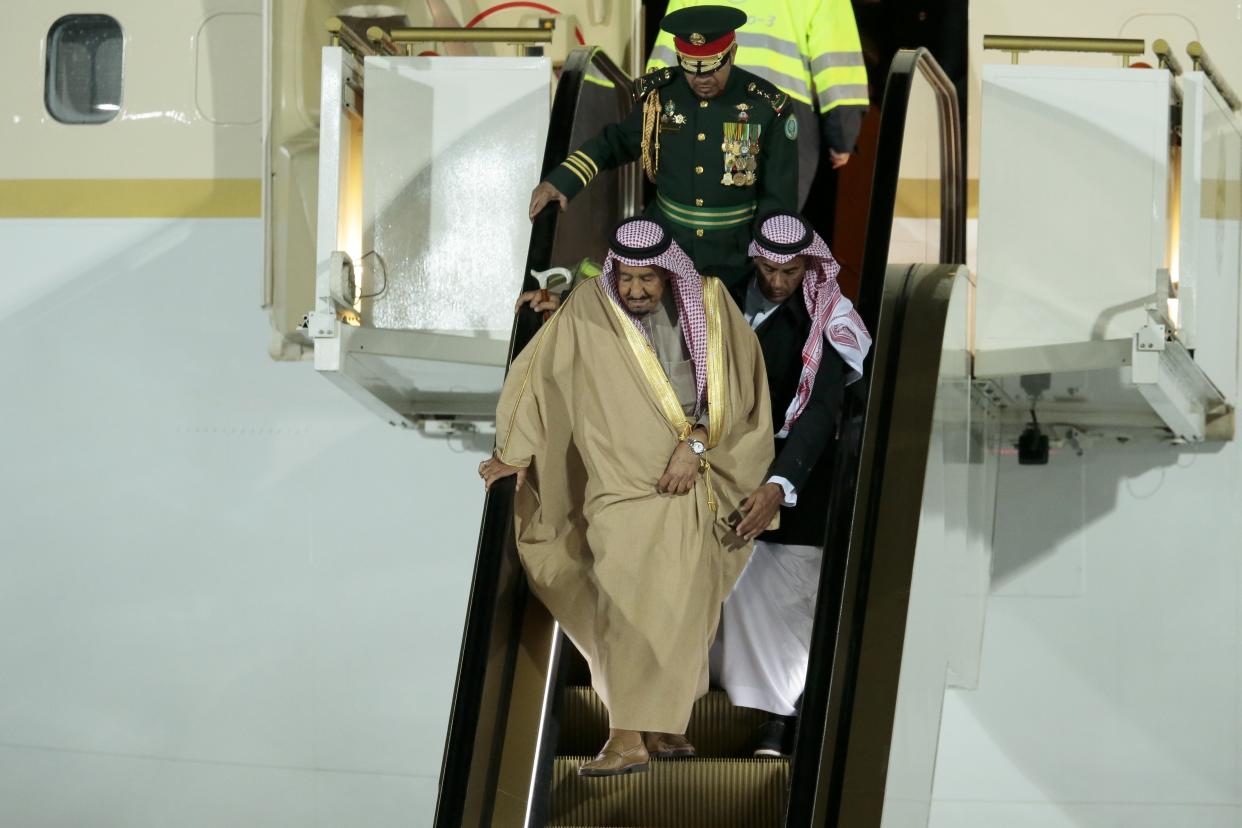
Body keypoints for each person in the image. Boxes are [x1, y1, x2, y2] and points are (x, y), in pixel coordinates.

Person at [479, 217, 775, 776]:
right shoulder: (589, 305)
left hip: (691, 481)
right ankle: (626, 736)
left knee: (682, 608)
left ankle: (660, 728)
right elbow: (536, 376)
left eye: (648, 280)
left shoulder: (710, 304)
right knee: (620, 603)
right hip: (618, 486)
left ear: (669, 273)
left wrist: (696, 445)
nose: (636, 290)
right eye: (627, 278)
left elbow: (739, 388)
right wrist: (515, 454)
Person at [716, 211, 871, 756]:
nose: (780, 282)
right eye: (771, 269)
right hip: (718, 469)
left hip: (796, 481)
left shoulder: (828, 316)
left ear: (810, 264)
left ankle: (780, 721)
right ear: (755, 259)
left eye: (792, 270)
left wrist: (780, 485)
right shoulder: (718, 298)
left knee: (783, 603)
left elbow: (821, 410)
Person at [528, 5, 798, 289]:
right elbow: (615, 143)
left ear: (732, 52)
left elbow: (778, 198)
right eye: (691, 68)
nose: (701, 80)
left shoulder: (766, 105)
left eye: (711, 68)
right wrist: (561, 181)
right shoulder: (660, 95)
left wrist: (769, 258)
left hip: (733, 254)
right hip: (665, 246)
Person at [649, 0, 869, 209]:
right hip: (779, 112)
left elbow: (669, 54)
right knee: (774, 225)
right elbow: (838, 67)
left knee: (713, 221)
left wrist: (652, 126)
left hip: (708, 107)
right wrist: (842, 137)